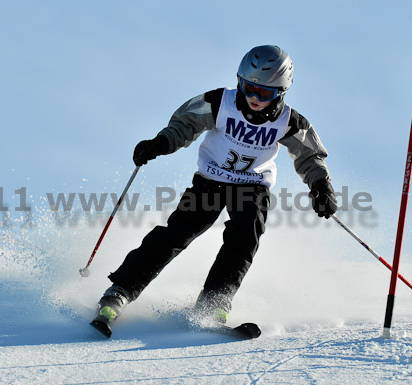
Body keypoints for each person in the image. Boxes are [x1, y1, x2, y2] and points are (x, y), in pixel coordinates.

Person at [92, 45, 338, 331]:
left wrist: (321, 187)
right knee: (178, 233)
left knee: (245, 238)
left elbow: (310, 156)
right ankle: (120, 291)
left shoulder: (291, 122)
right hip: (211, 180)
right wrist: (160, 144)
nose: (255, 98)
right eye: (248, 88)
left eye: (266, 93)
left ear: (282, 92)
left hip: (252, 186)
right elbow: (184, 125)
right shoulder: (220, 102)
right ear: (239, 81)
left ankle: (214, 302)